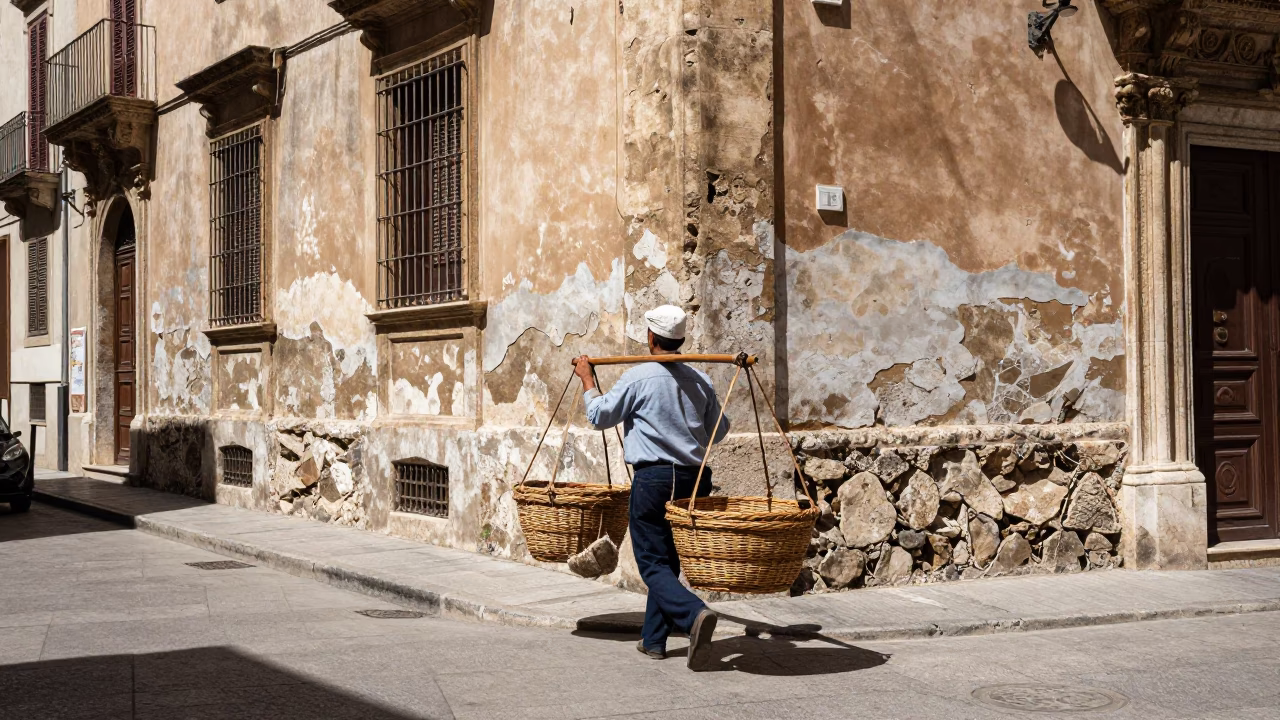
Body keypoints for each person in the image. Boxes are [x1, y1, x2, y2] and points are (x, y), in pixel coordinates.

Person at [572, 305, 730, 671]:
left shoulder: (639, 377)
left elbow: (599, 416)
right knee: (668, 561)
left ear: (651, 339)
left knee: (652, 562)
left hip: (655, 478)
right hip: (694, 480)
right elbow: (719, 432)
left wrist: (588, 381)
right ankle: (654, 640)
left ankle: (694, 615)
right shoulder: (700, 380)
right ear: (682, 341)